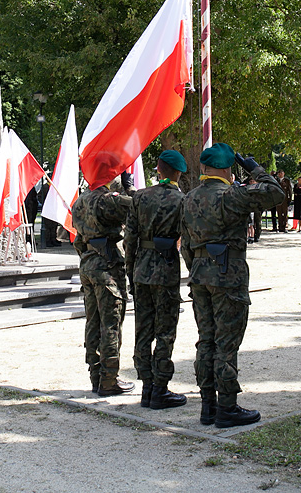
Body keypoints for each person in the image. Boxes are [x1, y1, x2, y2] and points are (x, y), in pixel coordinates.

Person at [180, 144, 283, 428]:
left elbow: (186, 244)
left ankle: (207, 406)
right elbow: (276, 192)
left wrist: (197, 269)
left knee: (207, 340)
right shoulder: (233, 195)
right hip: (228, 276)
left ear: (203, 168)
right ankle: (227, 407)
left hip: (199, 276)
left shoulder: (188, 199)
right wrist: (255, 169)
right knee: (226, 342)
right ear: (228, 170)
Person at [124, 150, 188, 410]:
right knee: (165, 332)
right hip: (166, 269)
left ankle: (147, 386)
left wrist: (130, 271)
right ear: (179, 173)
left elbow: (130, 239)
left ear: (158, 171)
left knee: (143, 330)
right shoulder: (181, 200)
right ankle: (160, 389)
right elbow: (188, 240)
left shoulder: (140, 197)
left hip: (141, 269)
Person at [72, 176, 133, 396]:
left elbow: (76, 236)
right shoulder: (108, 200)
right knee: (111, 323)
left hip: (87, 262)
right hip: (107, 265)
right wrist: (129, 187)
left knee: (93, 320)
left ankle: (95, 376)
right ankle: (109, 380)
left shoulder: (80, 201)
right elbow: (137, 206)